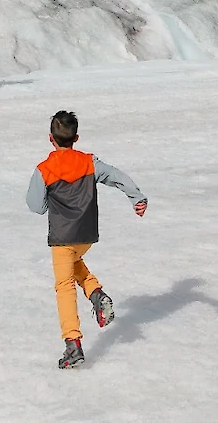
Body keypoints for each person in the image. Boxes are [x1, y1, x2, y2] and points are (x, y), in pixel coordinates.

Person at [25, 110, 146, 369]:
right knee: (73, 263)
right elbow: (117, 176)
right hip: (87, 235)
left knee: (64, 285)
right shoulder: (90, 163)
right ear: (76, 138)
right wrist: (137, 197)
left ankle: (73, 343)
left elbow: (35, 206)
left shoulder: (44, 170)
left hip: (62, 236)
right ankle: (96, 295)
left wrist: (48, 198)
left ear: (50, 139)